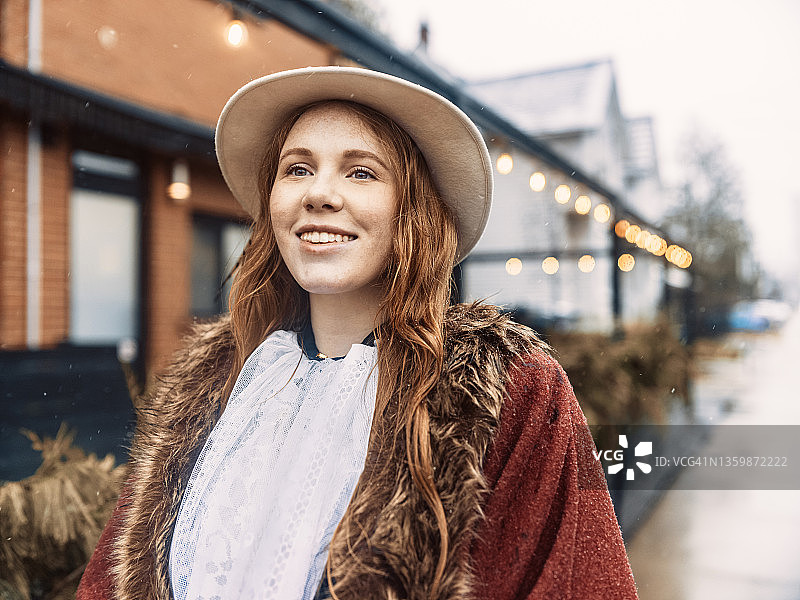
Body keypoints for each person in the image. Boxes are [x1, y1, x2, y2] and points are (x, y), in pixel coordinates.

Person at [77, 66, 638, 600]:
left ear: (412, 210)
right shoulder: (210, 386)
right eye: (297, 169)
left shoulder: (513, 392)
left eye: (361, 171)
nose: (318, 193)